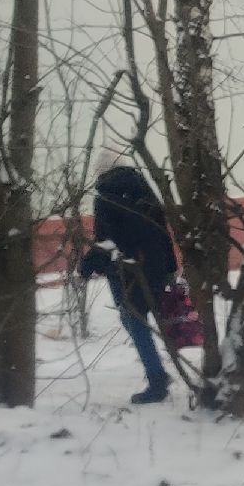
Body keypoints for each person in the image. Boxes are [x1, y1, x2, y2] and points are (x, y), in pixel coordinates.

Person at [78, 161, 179, 404]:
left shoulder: (105, 196)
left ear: (101, 172)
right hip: (156, 265)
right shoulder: (145, 189)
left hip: (128, 270)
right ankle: (185, 371)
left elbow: (108, 240)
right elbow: (161, 229)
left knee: (134, 320)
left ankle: (157, 380)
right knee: (154, 319)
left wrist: (87, 266)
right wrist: (170, 266)